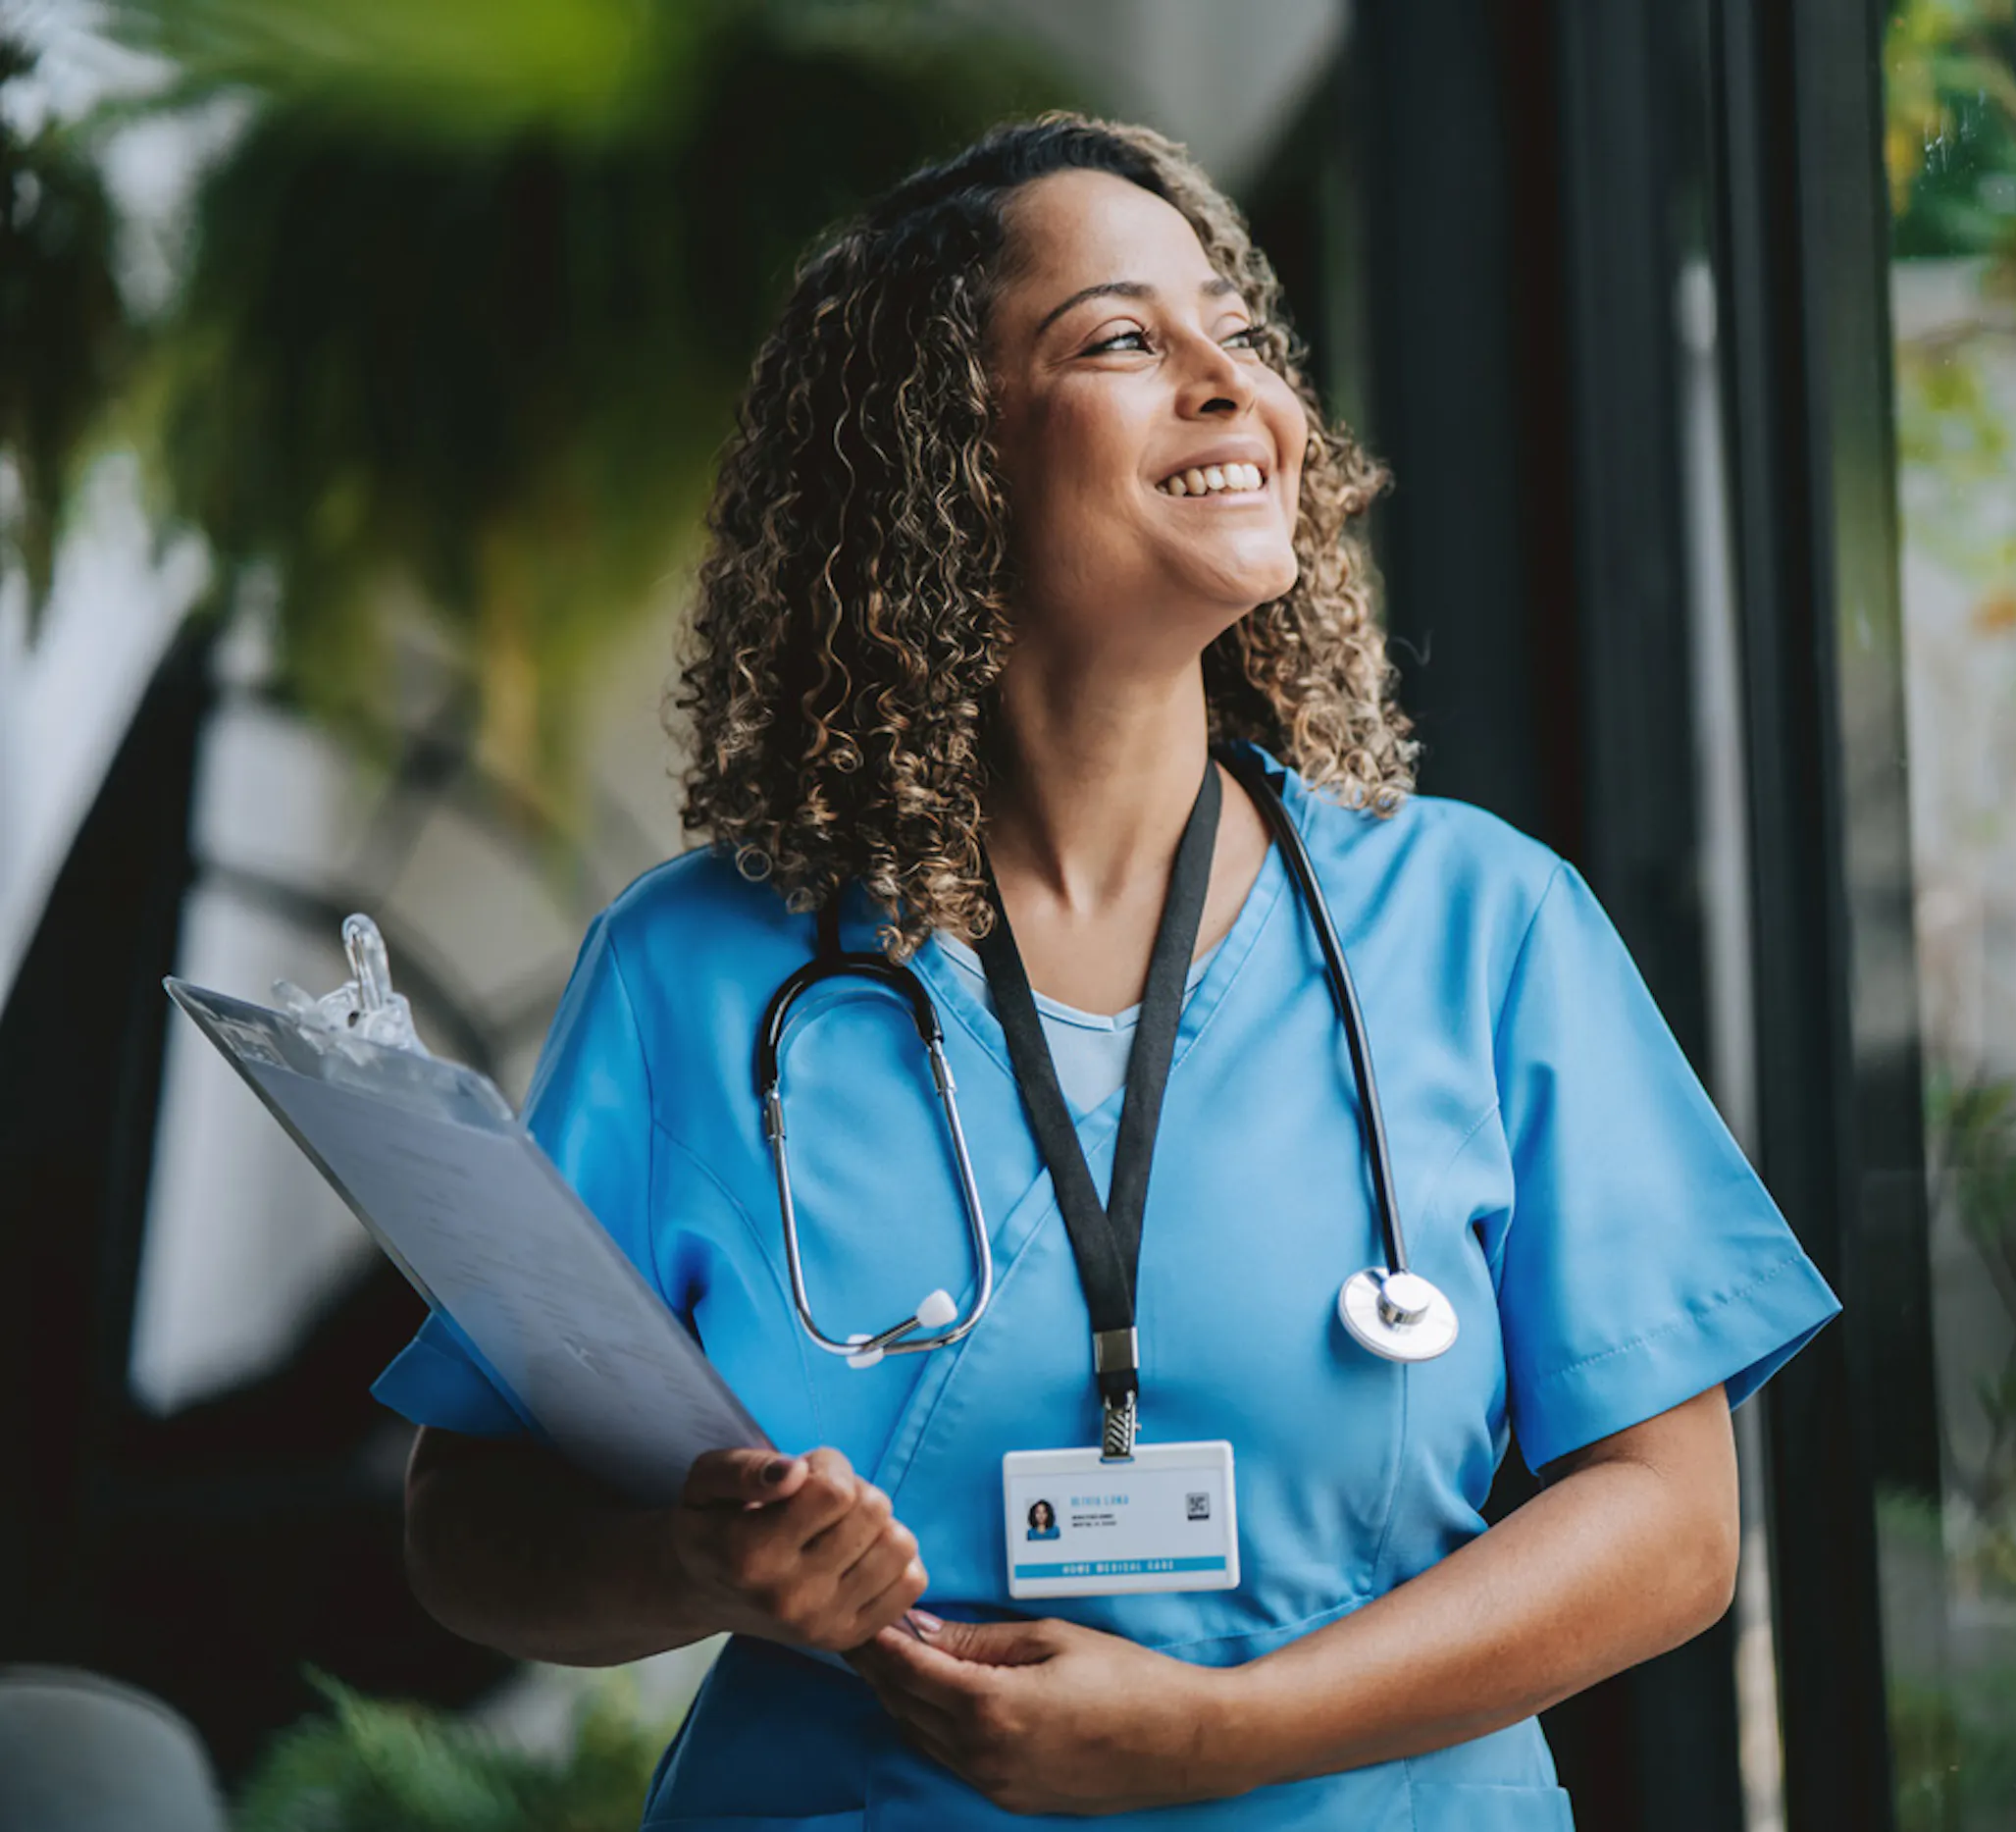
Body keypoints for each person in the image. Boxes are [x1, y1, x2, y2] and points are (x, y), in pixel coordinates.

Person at [377, 114, 1836, 1828]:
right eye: (1126, 340)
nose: (1235, 385)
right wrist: (694, 1566)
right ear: (947, 459)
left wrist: (1227, 1730)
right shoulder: (694, 968)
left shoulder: (1482, 925)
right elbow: (469, 1521)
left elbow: (1674, 1521)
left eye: (1244, 335)